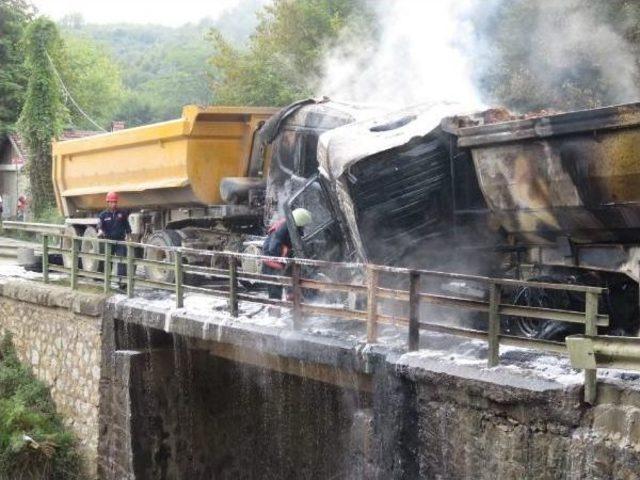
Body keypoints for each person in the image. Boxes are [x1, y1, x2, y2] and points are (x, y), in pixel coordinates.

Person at [261, 208, 312, 300]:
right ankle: (274, 313)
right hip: (272, 264)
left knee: (291, 286)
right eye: (303, 225)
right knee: (275, 293)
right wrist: (285, 252)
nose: (304, 228)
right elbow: (273, 249)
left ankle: (294, 310)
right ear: (299, 221)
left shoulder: (291, 225)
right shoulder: (282, 230)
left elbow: (298, 240)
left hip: (282, 263)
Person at [97, 191, 131, 286]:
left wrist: (128, 235)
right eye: (111, 202)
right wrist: (100, 231)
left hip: (120, 241)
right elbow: (99, 225)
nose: (113, 204)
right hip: (108, 241)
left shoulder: (122, 214)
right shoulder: (103, 215)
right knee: (108, 261)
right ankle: (106, 281)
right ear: (108, 202)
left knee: (122, 261)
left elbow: (126, 225)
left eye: (115, 202)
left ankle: (122, 283)